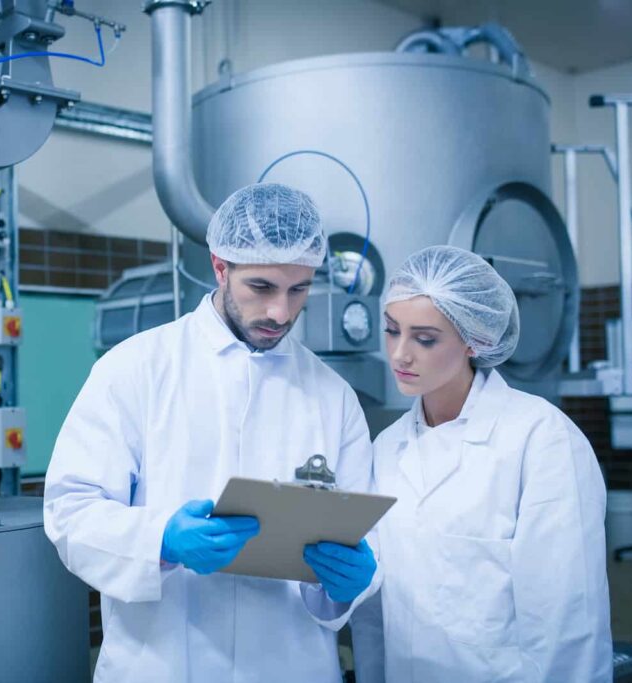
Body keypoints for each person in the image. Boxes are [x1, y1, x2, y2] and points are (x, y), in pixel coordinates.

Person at [44, 183, 380, 683]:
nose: (281, 313)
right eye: (262, 288)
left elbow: (360, 534)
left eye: (299, 289)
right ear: (220, 267)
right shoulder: (137, 368)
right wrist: (161, 539)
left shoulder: (333, 397)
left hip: (291, 665)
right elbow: (70, 512)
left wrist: (349, 583)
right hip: (161, 662)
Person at [351, 245, 612, 683]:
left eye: (425, 338)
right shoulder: (387, 446)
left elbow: (567, 622)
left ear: (477, 340)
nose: (399, 354)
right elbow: (376, 615)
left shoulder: (541, 439)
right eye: (392, 331)